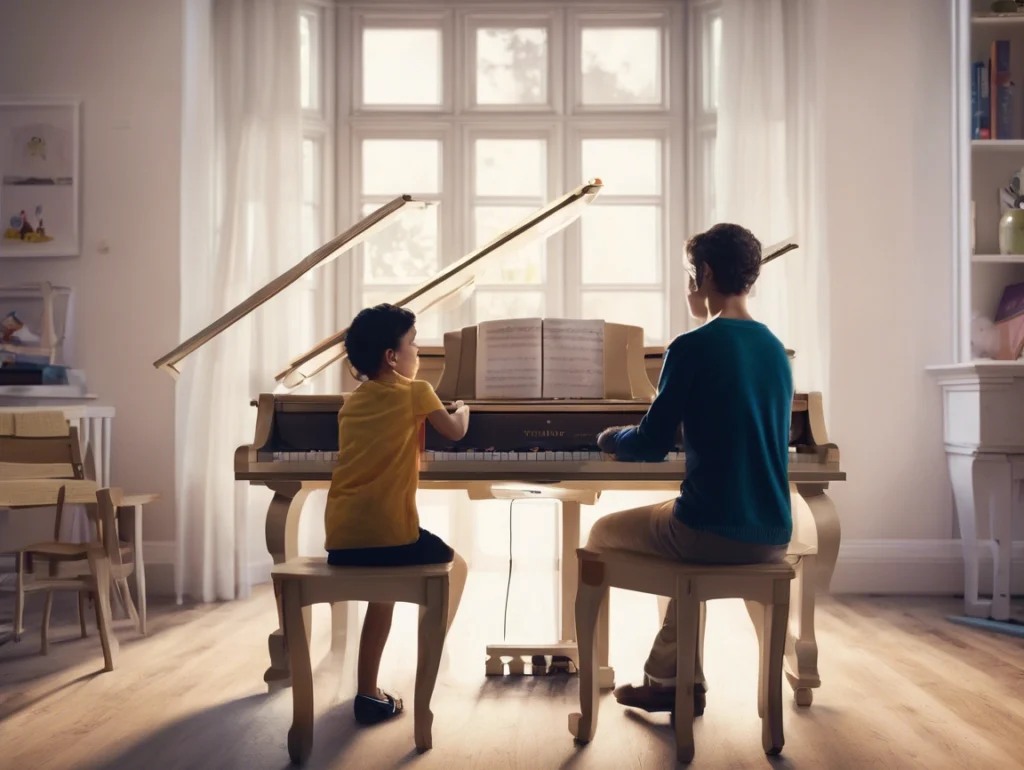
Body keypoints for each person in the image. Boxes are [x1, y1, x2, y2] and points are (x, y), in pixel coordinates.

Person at [588, 223, 794, 715]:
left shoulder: (692, 345)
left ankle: (609, 680)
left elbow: (651, 445)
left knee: (599, 532)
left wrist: (609, 437)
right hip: (773, 531)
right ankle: (672, 681)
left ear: (703, 275)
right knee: (681, 535)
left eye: (690, 274)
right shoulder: (775, 349)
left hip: (708, 528)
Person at [324, 303, 470, 726]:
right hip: (391, 534)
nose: (418, 352)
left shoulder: (350, 404)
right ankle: (433, 655)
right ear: (392, 356)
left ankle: (368, 694)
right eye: (413, 344)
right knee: (456, 566)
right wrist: (463, 409)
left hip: (343, 537)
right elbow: (455, 432)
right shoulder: (416, 391)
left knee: (382, 592)